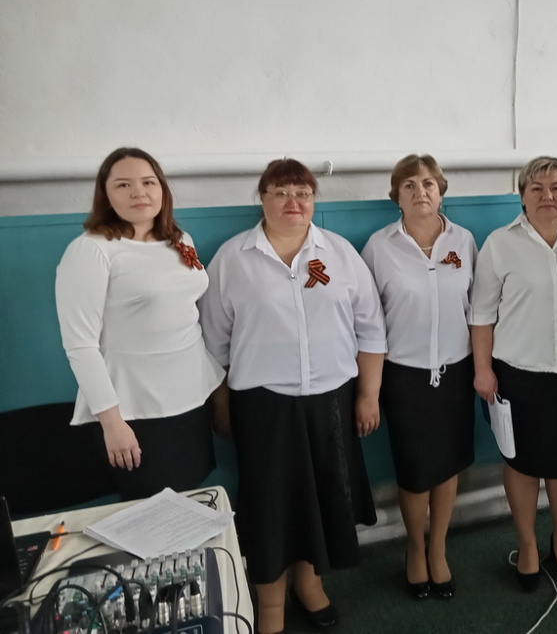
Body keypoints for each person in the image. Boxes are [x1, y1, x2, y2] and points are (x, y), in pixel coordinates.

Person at [199, 159, 386, 634]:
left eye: (303, 193)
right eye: (281, 192)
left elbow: (370, 329)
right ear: (261, 199)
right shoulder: (233, 259)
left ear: (314, 200)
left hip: (331, 401)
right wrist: (221, 404)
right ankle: (271, 605)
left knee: (320, 499)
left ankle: (310, 584)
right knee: (271, 508)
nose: (293, 202)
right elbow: (214, 343)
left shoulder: (339, 253)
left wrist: (368, 395)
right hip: (264, 407)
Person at [55, 147, 224, 501]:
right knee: (153, 512)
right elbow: (80, 346)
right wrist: (112, 423)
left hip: (191, 398)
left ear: (162, 188)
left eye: (148, 182)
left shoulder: (179, 240)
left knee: (193, 499)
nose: (139, 192)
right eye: (124, 185)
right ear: (106, 194)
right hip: (135, 410)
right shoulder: (91, 250)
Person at [470, 156, 557, 592]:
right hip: (517, 375)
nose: (547, 195)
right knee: (522, 463)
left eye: (556, 187)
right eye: (537, 188)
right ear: (522, 196)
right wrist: (483, 369)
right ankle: (527, 545)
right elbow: (482, 314)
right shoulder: (500, 243)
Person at [361, 154, 477, 601]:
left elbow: (477, 309)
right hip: (404, 376)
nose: (420, 191)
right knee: (414, 470)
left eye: (428, 183)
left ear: (440, 191)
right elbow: (368, 321)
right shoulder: (379, 247)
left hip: (456, 370)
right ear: (397, 197)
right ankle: (414, 547)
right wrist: (369, 389)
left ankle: (438, 548)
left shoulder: (463, 241)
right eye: (409, 185)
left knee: (447, 464)